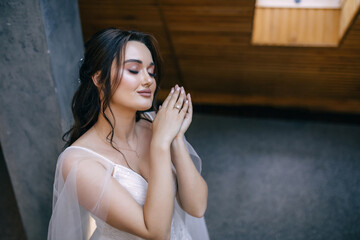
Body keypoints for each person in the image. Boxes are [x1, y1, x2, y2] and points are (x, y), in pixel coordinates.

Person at [47, 28, 209, 240]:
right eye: (134, 70)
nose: (148, 80)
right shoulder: (78, 162)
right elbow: (157, 232)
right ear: (99, 79)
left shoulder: (156, 124)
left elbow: (196, 207)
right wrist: (160, 144)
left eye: (151, 71)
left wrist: (176, 138)